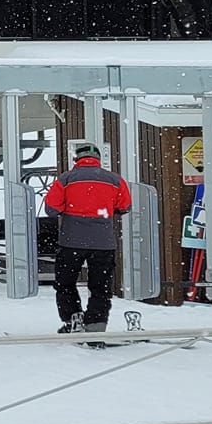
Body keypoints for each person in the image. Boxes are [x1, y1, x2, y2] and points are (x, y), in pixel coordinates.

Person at [43, 139, 133, 333]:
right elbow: (125, 207)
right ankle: (96, 325)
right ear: (98, 159)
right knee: (101, 288)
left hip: (71, 242)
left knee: (65, 283)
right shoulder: (115, 180)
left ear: (77, 159)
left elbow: (51, 209)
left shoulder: (66, 179)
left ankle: (72, 318)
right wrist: (104, 209)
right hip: (103, 243)